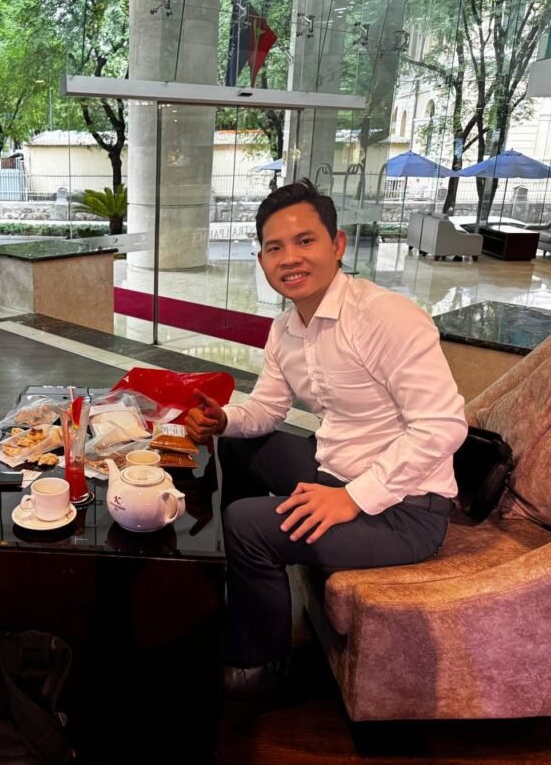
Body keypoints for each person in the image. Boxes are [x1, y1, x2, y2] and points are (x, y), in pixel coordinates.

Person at [184, 179, 467, 705]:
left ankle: (260, 665)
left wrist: (352, 498)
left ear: (337, 245)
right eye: (274, 247)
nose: (290, 258)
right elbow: (267, 409)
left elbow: (444, 425)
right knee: (240, 447)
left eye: (305, 241)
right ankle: (242, 576)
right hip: (335, 468)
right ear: (262, 260)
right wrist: (223, 420)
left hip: (405, 510)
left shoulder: (384, 316)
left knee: (247, 523)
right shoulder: (286, 328)